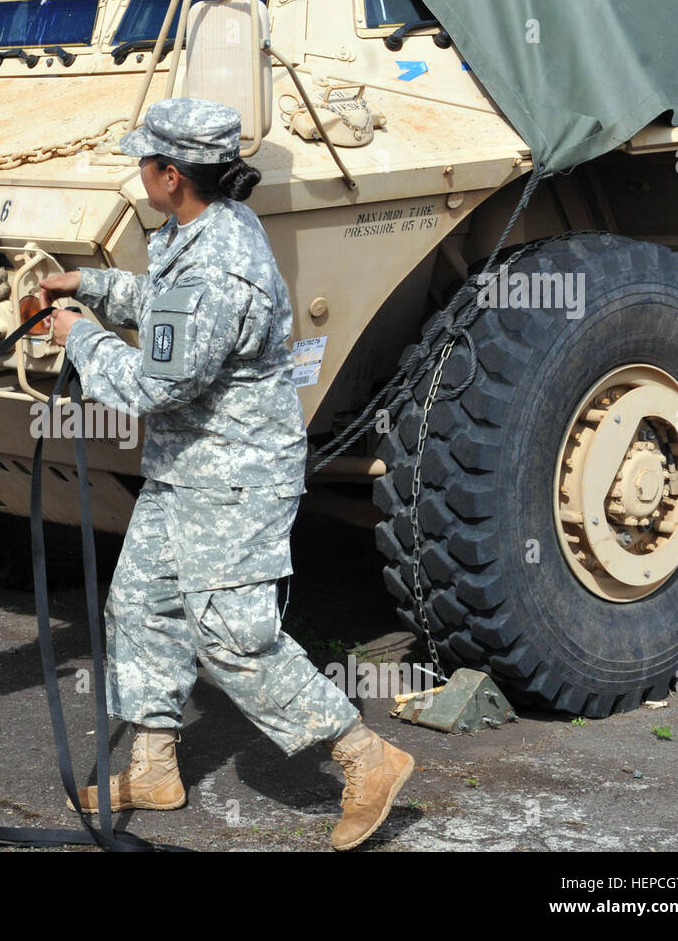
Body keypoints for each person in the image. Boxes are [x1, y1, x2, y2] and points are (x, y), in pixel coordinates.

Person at [36, 97, 414, 851]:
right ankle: (152, 767)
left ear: (171, 175)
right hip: (188, 465)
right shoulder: (200, 226)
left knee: (233, 639)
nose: (138, 171)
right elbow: (164, 308)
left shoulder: (221, 264)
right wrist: (92, 287)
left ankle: (365, 759)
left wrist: (80, 340)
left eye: (144, 161)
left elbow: (152, 385)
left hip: (236, 476)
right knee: (141, 604)